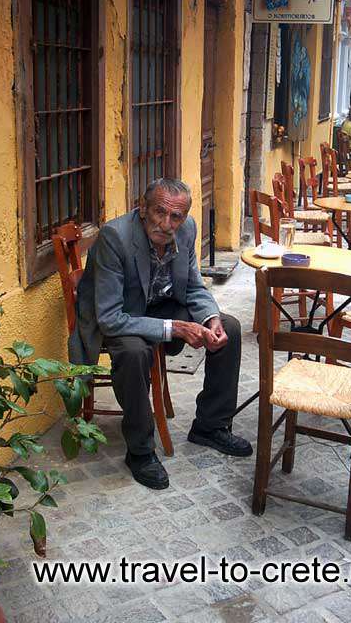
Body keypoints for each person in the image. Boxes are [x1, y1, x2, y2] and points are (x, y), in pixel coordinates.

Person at [69, 178, 252, 490]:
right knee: (133, 351)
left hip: (161, 305)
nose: (167, 224)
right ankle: (140, 450)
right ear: (143, 209)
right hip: (122, 316)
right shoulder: (115, 237)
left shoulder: (187, 228)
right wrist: (176, 328)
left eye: (176, 216)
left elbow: (193, 285)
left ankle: (210, 426)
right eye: (159, 212)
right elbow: (110, 318)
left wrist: (210, 317)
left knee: (229, 328)